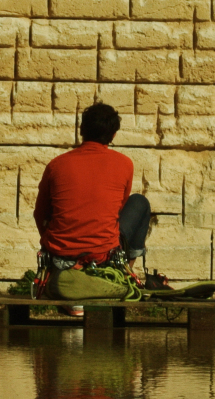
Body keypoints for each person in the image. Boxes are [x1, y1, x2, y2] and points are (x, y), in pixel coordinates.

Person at [33, 103, 151, 311]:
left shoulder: (56, 165)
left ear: (82, 130)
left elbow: (40, 213)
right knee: (139, 203)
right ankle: (122, 276)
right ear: (113, 135)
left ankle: (73, 285)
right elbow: (118, 210)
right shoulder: (125, 164)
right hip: (103, 255)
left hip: (61, 258)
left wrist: (55, 242)